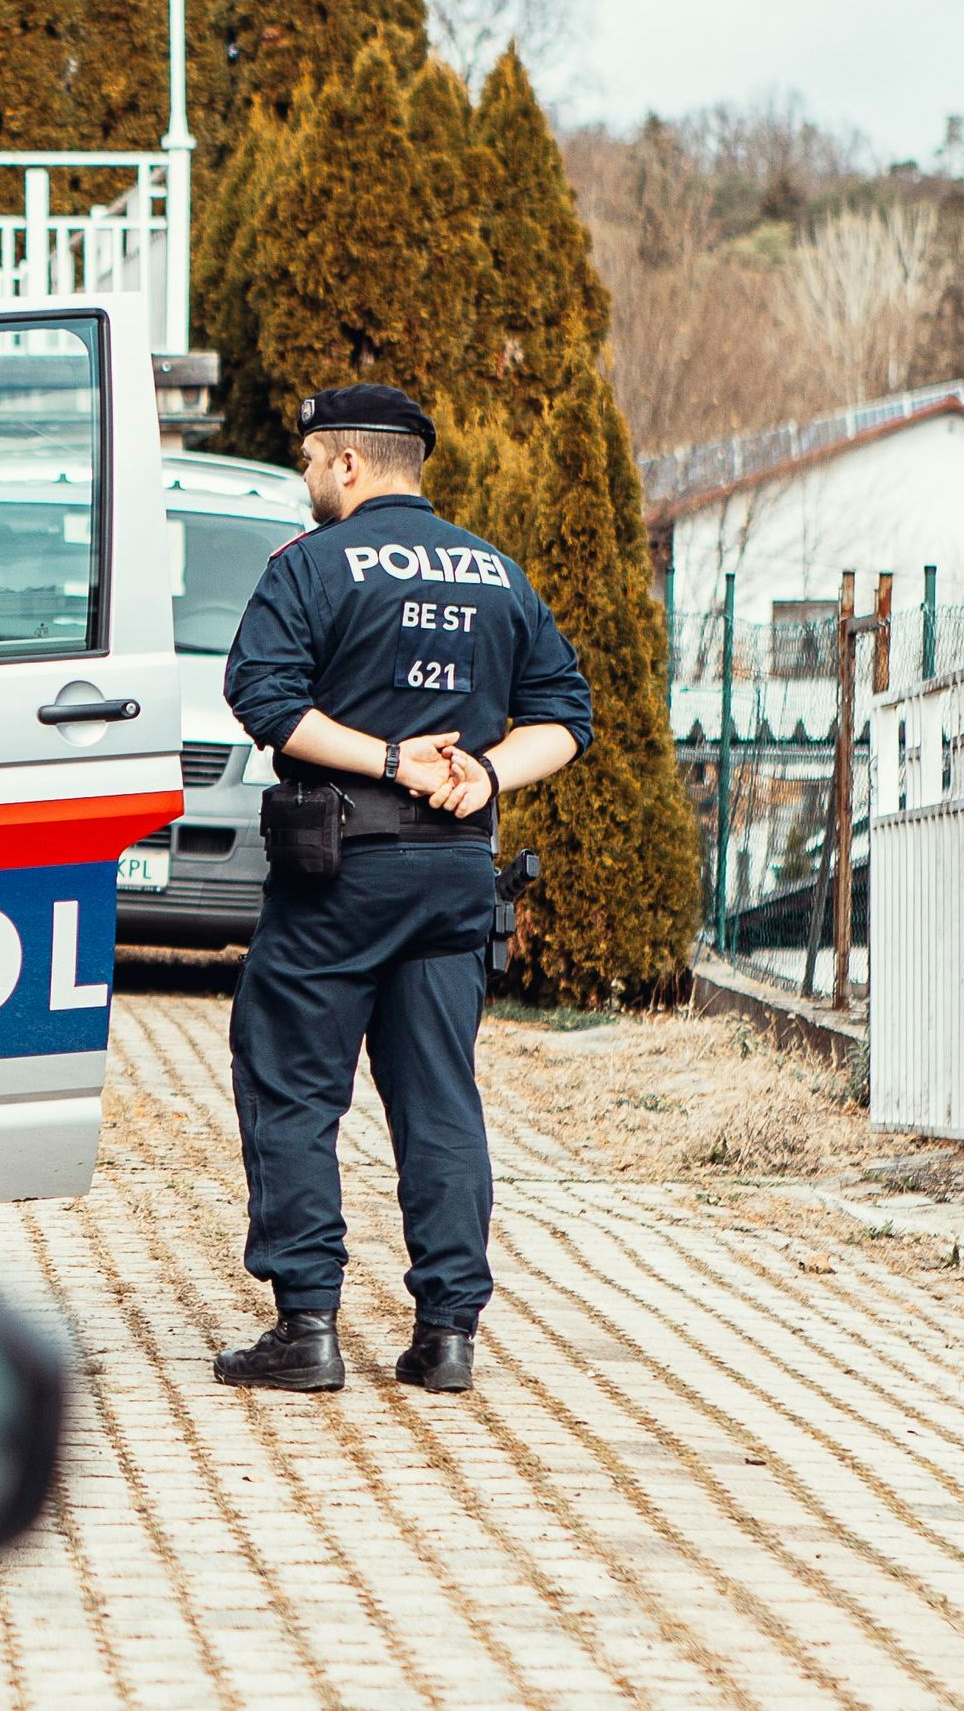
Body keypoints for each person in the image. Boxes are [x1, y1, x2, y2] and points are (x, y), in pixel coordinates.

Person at [212, 384, 591, 1394]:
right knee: (437, 1100)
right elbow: (565, 715)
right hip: (456, 871)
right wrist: (483, 772)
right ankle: (446, 1335)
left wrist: (386, 759)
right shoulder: (498, 575)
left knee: (291, 1084)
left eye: (305, 465)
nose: (304, 484)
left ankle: (304, 1329)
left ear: (344, 464)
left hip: (338, 871)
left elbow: (262, 700)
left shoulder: (310, 566)